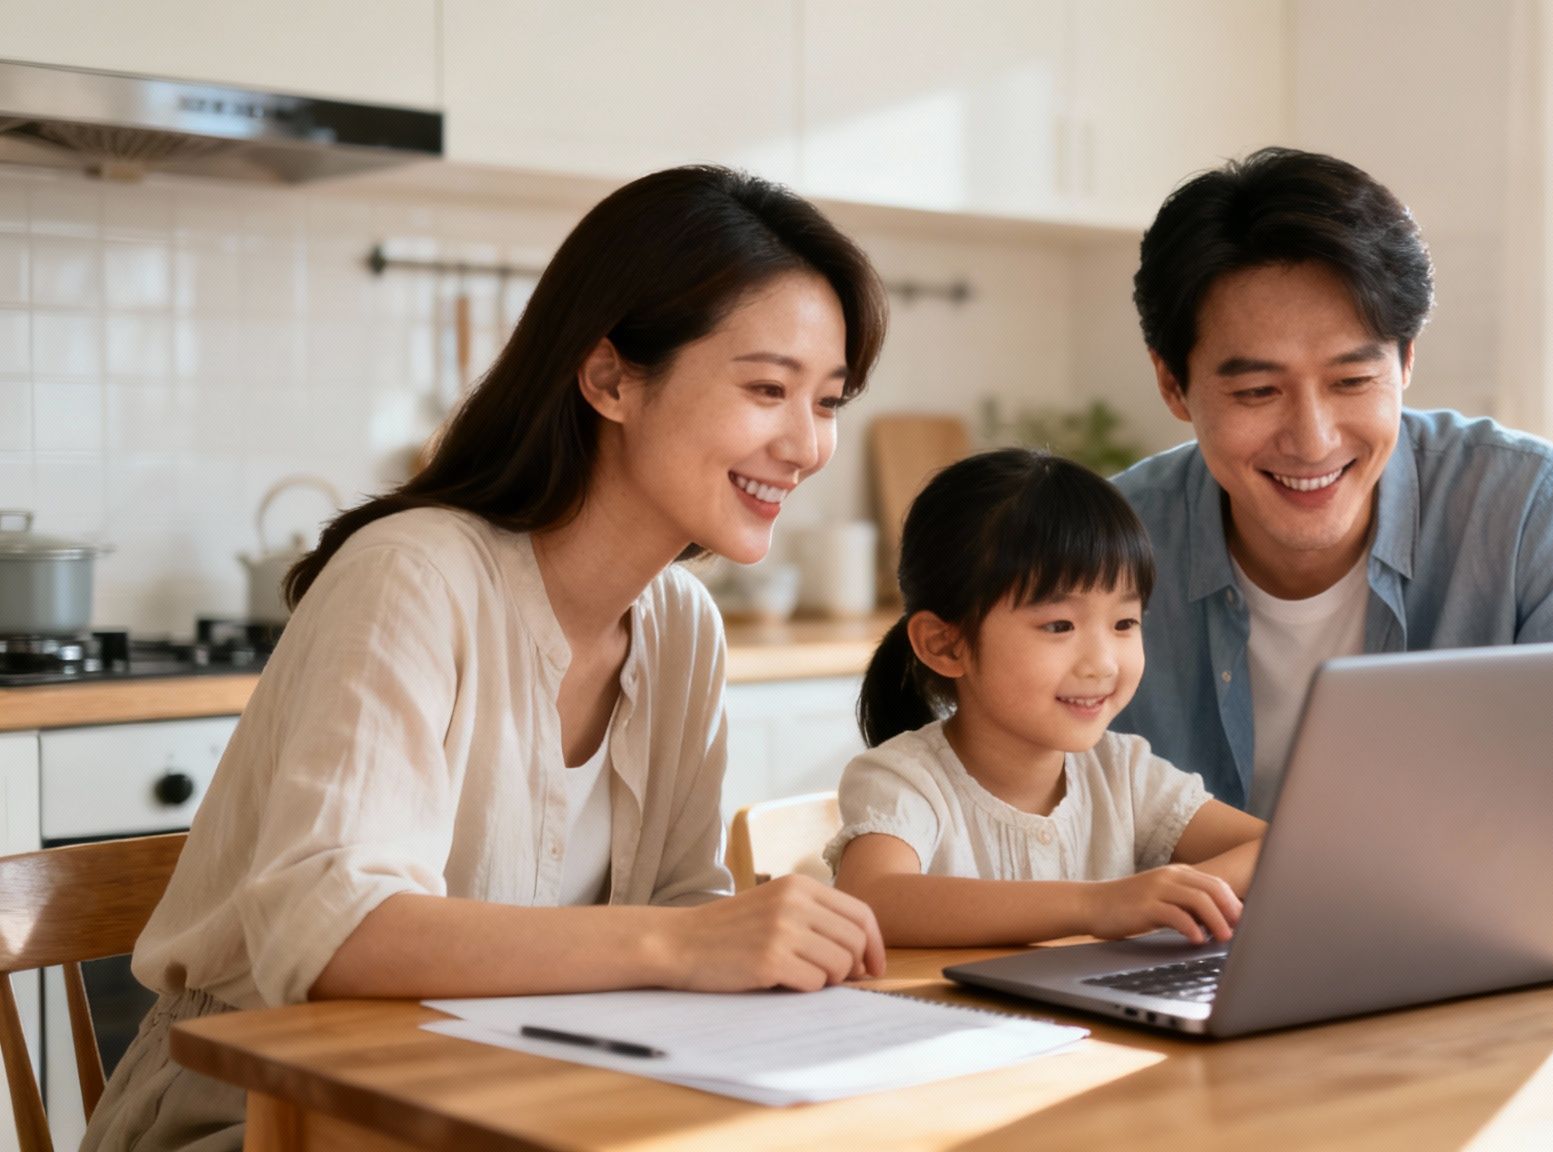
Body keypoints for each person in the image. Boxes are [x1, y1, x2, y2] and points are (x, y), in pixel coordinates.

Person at [84, 166, 891, 1152]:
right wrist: (686, 943)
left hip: (512, 1099)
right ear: (608, 379)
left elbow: (683, 909)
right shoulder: (413, 576)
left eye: (828, 400)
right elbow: (328, 928)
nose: (807, 445)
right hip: (269, 1116)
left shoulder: (681, 627)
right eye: (768, 389)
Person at [1109, 148, 1553, 886]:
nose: (1313, 439)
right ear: (1173, 384)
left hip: (1463, 953)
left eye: (1353, 380)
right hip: (1170, 967)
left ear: (1406, 361)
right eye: (1258, 392)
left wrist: (1495, 875)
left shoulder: (1524, 511)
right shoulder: (1109, 545)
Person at [828, 449, 1266, 947]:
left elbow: (1281, 848)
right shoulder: (904, 780)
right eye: (1059, 625)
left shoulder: (1123, 773)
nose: (1102, 663)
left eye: (1125, 623)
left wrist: (1179, 897)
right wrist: (1100, 904)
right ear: (945, 644)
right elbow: (872, 899)